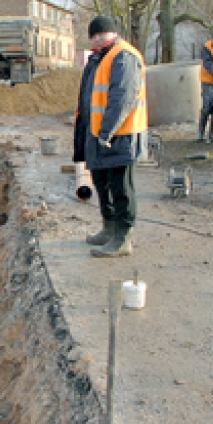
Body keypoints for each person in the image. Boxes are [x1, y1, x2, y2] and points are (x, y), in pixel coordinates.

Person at [72, 16, 148, 258]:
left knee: (121, 187)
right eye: (93, 35)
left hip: (119, 135)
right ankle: (110, 228)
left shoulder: (124, 56)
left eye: (101, 33)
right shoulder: (98, 58)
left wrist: (107, 131)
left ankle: (123, 238)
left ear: (113, 33)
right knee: (102, 183)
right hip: (97, 133)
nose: (97, 38)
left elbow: (122, 97)